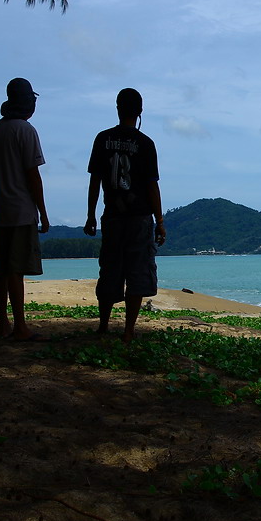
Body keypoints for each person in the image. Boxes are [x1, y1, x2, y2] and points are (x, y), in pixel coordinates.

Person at [84, 88, 166, 343]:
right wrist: (160, 221)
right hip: (139, 217)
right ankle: (129, 330)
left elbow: (95, 181)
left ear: (118, 108)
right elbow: (152, 186)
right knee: (137, 273)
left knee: (110, 270)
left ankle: (104, 325)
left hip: (112, 216)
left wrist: (90, 215)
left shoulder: (102, 139)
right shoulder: (146, 144)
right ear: (140, 111)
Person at [0, 77, 49, 341]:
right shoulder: (26, 131)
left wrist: (2, 164)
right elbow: (33, 176)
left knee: (2, 271)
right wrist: (42, 211)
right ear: (27, 103)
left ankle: (4, 324)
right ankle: (20, 326)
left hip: (0, 210)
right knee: (16, 271)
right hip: (21, 210)